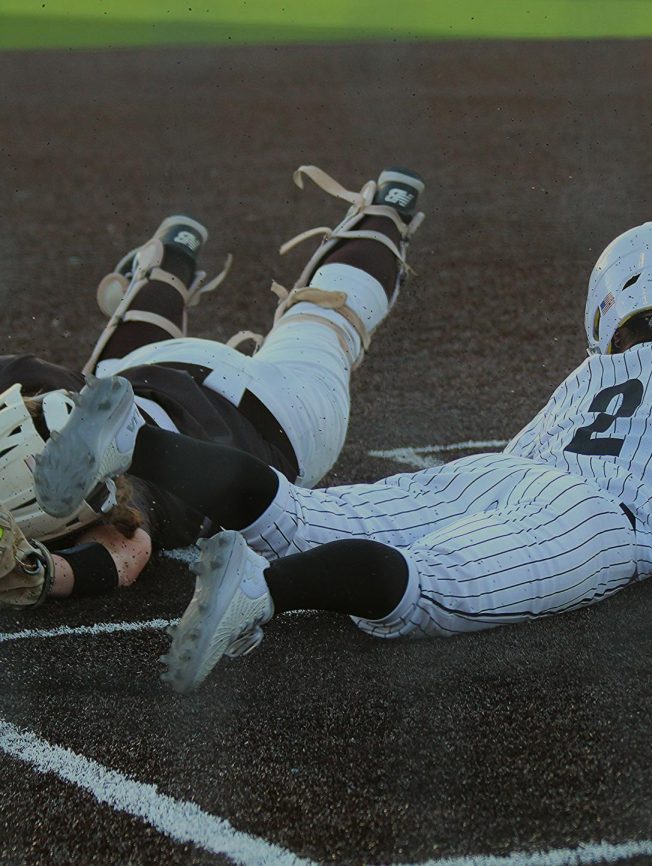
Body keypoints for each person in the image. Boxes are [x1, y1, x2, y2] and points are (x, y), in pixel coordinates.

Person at [32, 221, 652, 692]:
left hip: (495, 472)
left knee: (300, 513)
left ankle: (136, 439)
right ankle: (260, 597)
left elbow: (530, 459)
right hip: (594, 517)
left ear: (611, 304)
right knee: (433, 590)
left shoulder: (586, 373)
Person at [0, 165, 425, 609]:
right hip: (161, 369)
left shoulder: (119, 496)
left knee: (326, 323)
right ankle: (169, 264)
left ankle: (385, 215)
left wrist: (45, 573)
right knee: (108, 374)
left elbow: (127, 552)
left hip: (278, 415)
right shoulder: (41, 390)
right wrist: (40, 573)